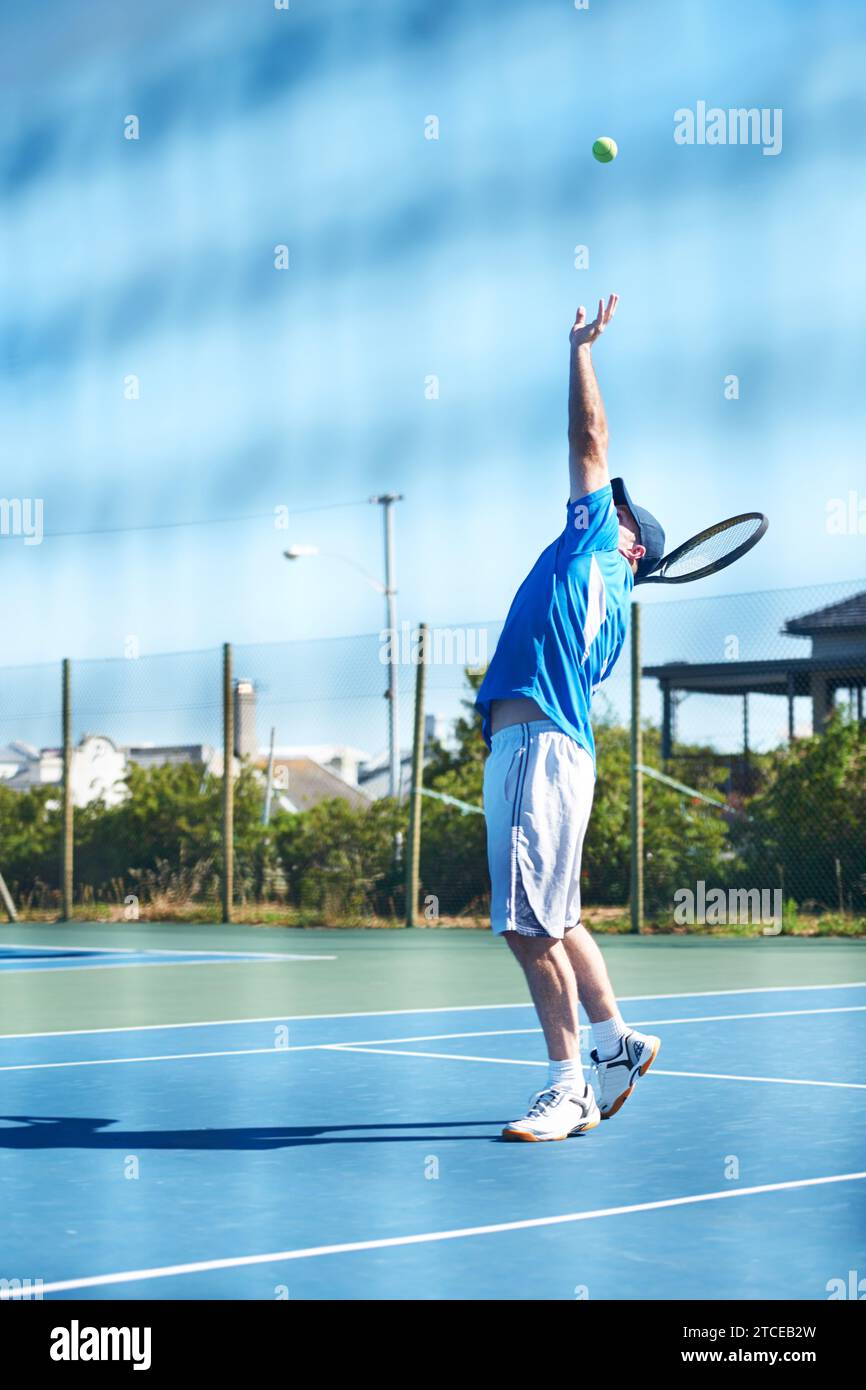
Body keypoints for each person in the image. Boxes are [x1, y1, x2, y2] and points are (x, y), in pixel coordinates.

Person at [476, 295, 667, 1141]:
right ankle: (615, 1042)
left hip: (537, 747)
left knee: (525, 927)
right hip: (549, 749)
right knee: (560, 916)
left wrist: (579, 350)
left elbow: (588, 441)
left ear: (628, 540)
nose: (597, 497)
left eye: (613, 505)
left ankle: (569, 1087)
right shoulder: (606, 586)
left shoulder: (596, 547)